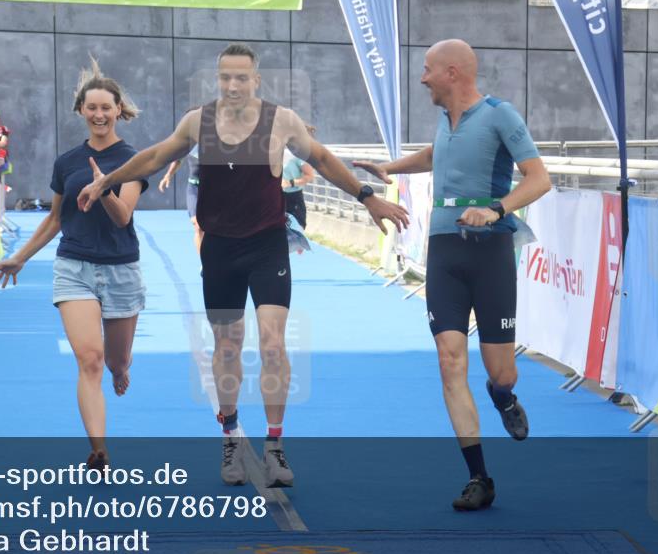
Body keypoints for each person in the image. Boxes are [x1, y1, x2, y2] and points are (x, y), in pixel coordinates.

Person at [78, 43, 410, 487]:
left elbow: (323, 159)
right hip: (219, 249)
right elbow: (156, 156)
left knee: (273, 345)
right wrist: (109, 181)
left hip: (267, 245)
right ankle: (232, 435)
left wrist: (367, 198)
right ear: (218, 80)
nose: (232, 85)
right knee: (228, 346)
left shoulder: (281, 121)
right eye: (225, 78)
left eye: (241, 78)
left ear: (256, 81)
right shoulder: (199, 121)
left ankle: (275, 446)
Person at [354, 39, 551, 511]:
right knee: (449, 359)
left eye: (427, 70)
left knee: (501, 370)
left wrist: (494, 209)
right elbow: (433, 155)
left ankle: (502, 395)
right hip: (444, 253)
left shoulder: (501, 114)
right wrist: (388, 168)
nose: (422, 79)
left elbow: (539, 178)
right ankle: (478, 477)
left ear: (453, 72)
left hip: (490, 253)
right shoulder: (446, 120)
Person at [0, 61, 147, 470]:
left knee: (115, 360)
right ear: (81, 110)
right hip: (74, 265)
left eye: (106, 108)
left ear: (118, 111)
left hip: (120, 269)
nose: (99, 115)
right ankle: (99, 448)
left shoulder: (133, 160)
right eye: (91, 107)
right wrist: (19, 257)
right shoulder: (66, 162)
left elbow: (123, 217)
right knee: (89, 359)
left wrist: (103, 188)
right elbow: (55, 219)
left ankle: (120, 369)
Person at [158, 143, 202, 253]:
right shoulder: (191, 140)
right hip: (194, 188)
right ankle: (204, 263)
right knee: (198, 225)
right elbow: (178, 159)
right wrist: (168, 175)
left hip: (213, 190)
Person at [281, 124, 317, 229]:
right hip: (277, 198)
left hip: (294, 199)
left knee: (296, 232)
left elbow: (310, 176)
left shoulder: (299, 155)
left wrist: (290, 183)